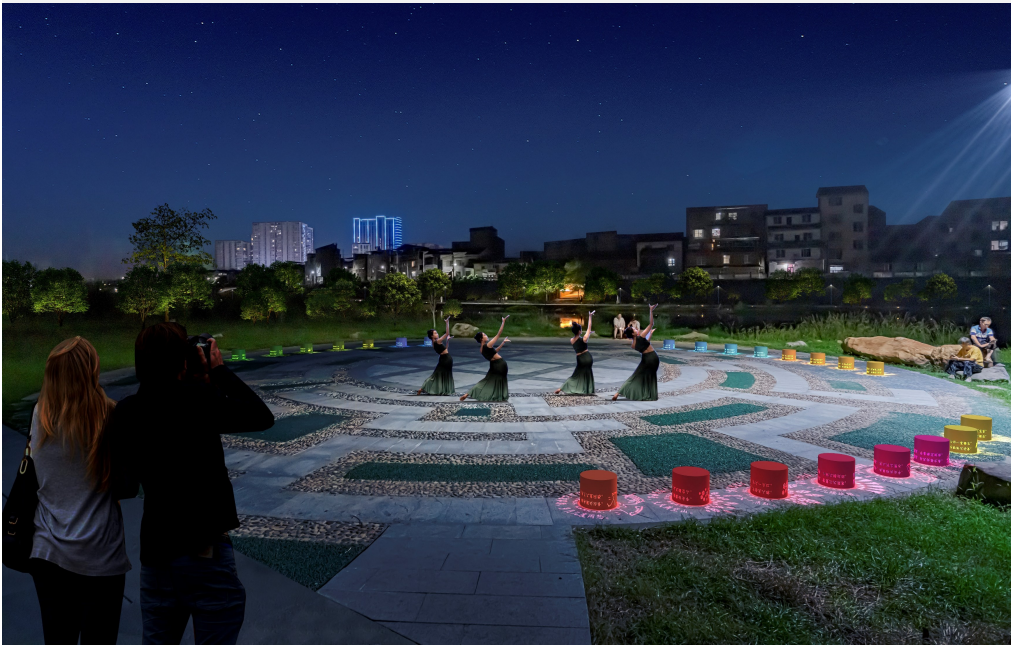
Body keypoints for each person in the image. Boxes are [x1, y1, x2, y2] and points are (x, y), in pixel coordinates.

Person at [107, 323, 275, 644]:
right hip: (204, 553)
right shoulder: (199, 399)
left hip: (157, 554)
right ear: (181, 360)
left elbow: (125, 483)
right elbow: (261, 416)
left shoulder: (127, 411)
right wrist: (219, 371)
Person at [28, 337, 131, 645]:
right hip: (100, 554)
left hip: (48, 552)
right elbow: (126, 486)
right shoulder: (110, 416)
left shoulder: (40, 416)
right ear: (92, 371)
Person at [613, 304, 660, 401]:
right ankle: (649, 394)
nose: (636, 329)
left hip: (645, 359)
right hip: (653, 357)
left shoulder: (633, 345)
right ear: (633, 333)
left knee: (635, 376)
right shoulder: (641, 336)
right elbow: (651, 324)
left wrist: (650, 334)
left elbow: (645, 345)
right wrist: (651, 310)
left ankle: (618, 393)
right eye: (634, 329)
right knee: (650, 376)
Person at [460, 316, 510, 401]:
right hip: (500, 364)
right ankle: (497, 395)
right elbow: (498, 334)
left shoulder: (481, 349)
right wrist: (503, 322)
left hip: (493, 366)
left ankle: (467, 393)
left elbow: (495, 352)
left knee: (486, 381)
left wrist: (503, 343)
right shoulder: (488, 345)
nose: (486, 336)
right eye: (484, 335)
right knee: (498, 380)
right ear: (481, 339)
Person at [556, 311, 596, 395]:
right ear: (580, 331)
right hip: (587, 357)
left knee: (576, 375)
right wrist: (590, 316)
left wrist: (588, 333)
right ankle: (587, 389)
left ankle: (562, 388)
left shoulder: (571, 340)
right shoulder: (584, 339)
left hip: (580, 359)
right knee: (587, 373)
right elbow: (589, 327)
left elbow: (579, 340)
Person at [418, 316, 455, 395]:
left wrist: (447, 341)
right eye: (435, 333)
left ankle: (425, 388)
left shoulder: (434, 343)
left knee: (437, 374)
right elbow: (447, 333)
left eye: (436, 332)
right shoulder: (437, 341)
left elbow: (445, 349)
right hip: (446, 359)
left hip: (443, 359)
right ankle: (425, 388)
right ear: (432, 336)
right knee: (443, 375)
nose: (437, 334)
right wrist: (447, 323)